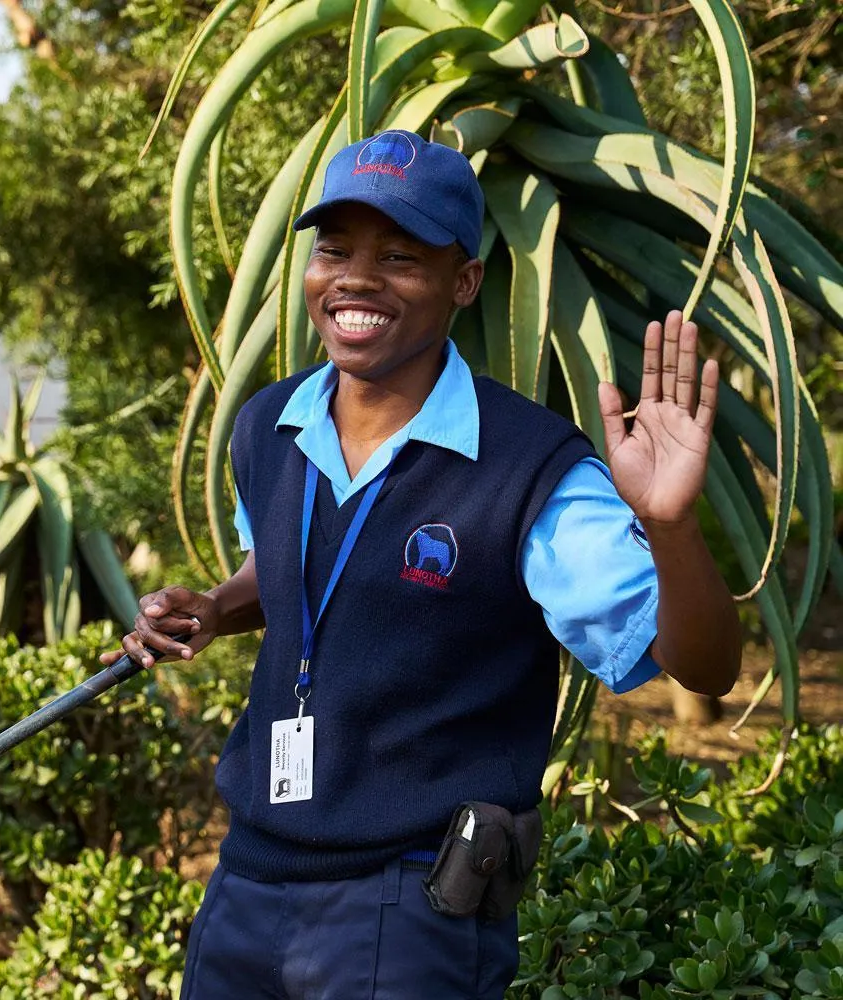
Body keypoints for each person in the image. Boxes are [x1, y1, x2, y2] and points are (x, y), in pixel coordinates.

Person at [104, 129, 741, 999]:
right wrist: (217, 607)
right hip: (247, 880)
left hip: (409, 909)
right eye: (335, 249)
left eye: (401, 254)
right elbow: (294, 569)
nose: (356, 279)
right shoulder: (268, 425)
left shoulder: (531, 471)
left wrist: (669, 527)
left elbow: (702, 666)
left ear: (464, 281)